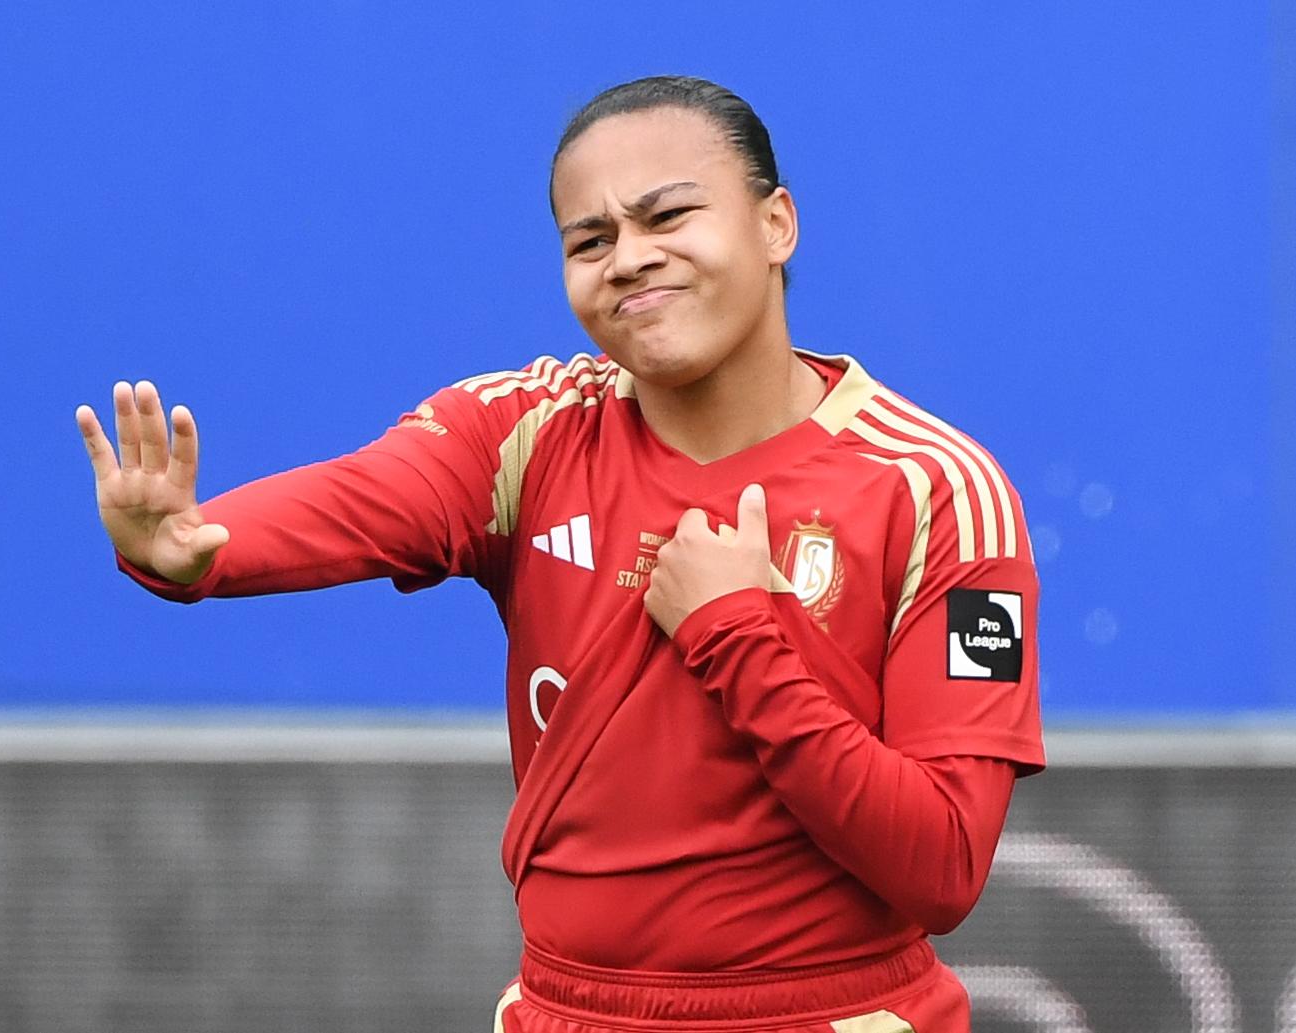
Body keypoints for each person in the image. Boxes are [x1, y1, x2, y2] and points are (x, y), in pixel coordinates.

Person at [76, 75, 1043, 1033]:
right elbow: (365, 497)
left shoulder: (940, 490)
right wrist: (193, 552)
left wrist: (736, 633)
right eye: (590, 241)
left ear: (776, 224)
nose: (627, 258)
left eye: (668, 216)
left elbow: (944, 864)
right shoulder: (525, 432)